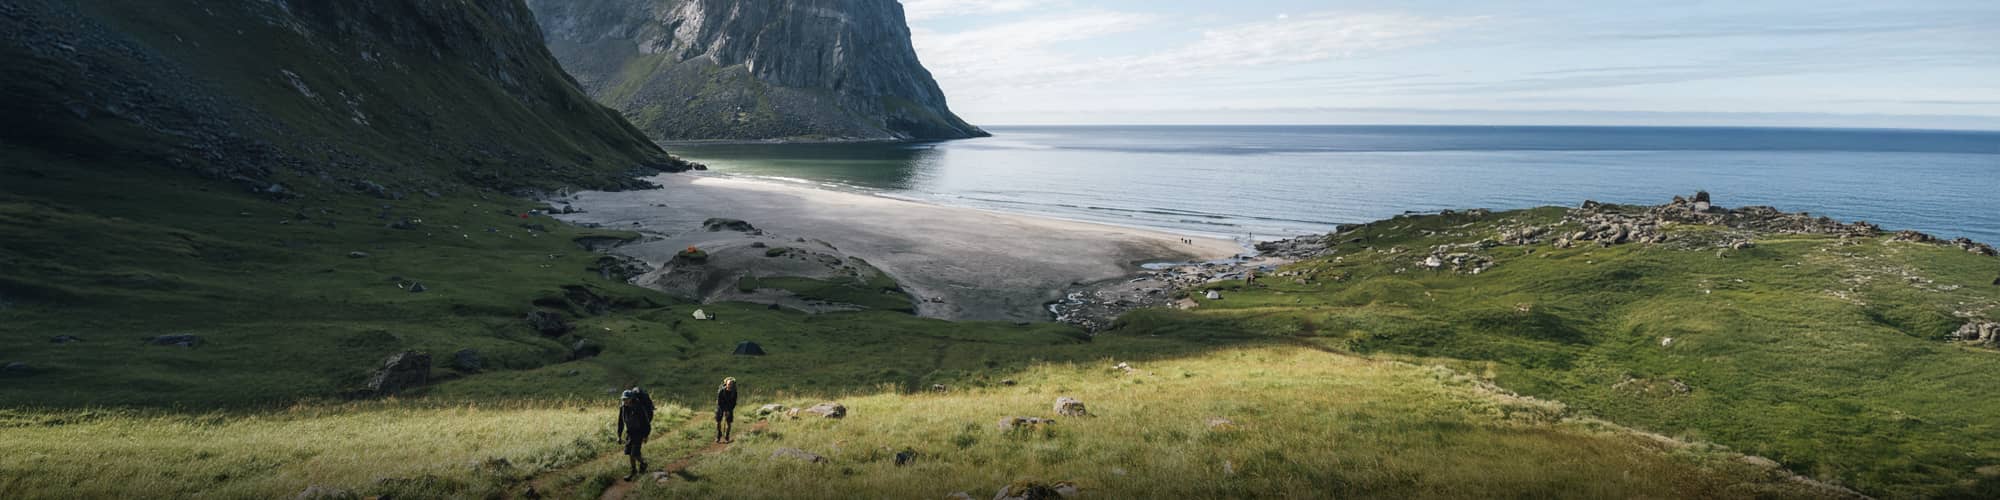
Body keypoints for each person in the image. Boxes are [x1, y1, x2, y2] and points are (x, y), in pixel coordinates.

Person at [616, 387, 655, 480]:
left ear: (631, 398)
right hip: (630, 432)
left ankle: (643, 463)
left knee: (634, 453)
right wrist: (619, 435)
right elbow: (620, 422)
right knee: (629, 452)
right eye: (623, 399)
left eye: (626, 399)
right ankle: (634, 471)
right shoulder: (623, 408)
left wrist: (646, 435)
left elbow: (646, 422)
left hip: (639, 432)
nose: (624, 401)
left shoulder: (639, 408)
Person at [715, 377, 739, 443]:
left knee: (728, 422)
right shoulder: (721, 391)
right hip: (721, 406)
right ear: (726, 384)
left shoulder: (734, 392)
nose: (729, 386)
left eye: (731, 384)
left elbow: (734, 403)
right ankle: (718, 435)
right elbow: (719, 402)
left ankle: (727, 437)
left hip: (729, 407)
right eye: (728, 384)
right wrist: (724, 410)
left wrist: (728, 410)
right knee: (718, 421)